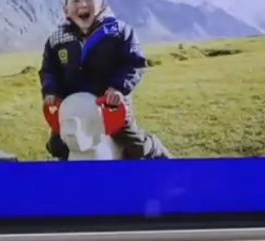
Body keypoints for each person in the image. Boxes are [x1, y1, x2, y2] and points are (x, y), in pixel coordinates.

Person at [39, 0, 171, 160]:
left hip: (110, 106)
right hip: (72, 108)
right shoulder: (56, 40)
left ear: (101, 3)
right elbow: (49, 70)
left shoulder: (119, 32)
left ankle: (155, 150)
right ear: (65, 8)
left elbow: (135, 63)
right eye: (75, 1)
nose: (82, 5)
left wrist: (118, 88)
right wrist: (51, 91)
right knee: (58, 146)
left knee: (134, 144)